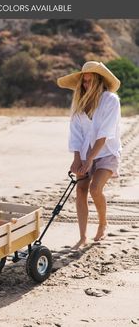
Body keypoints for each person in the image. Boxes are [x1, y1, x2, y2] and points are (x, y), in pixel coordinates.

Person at [57, 61, 122, 250]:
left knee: (95, 189)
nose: (86, 85)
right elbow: (76, 133)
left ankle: (103, 223)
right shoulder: (79, 102)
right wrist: (77, 159)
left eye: (90, 81)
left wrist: (90, 160)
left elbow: (104, 134)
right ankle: (82, 236)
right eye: (84, 82)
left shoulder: (111, 100)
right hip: (85, 152)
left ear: (100, 81)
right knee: (80, 190)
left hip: (107, 152)